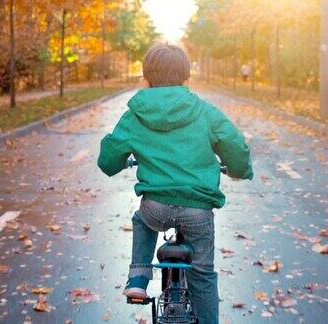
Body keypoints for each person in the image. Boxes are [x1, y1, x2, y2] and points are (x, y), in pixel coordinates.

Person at [97, 43, 253, 323]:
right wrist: (239, 169)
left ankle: (138, 276)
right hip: (197, 212)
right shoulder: (205, 112)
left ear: (145, 81)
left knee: (141, 220)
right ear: (186, 81)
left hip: (155, 208)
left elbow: (108, 159)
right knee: (203, 275)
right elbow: (234, 146)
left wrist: (119, 159)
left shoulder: (135, 115)